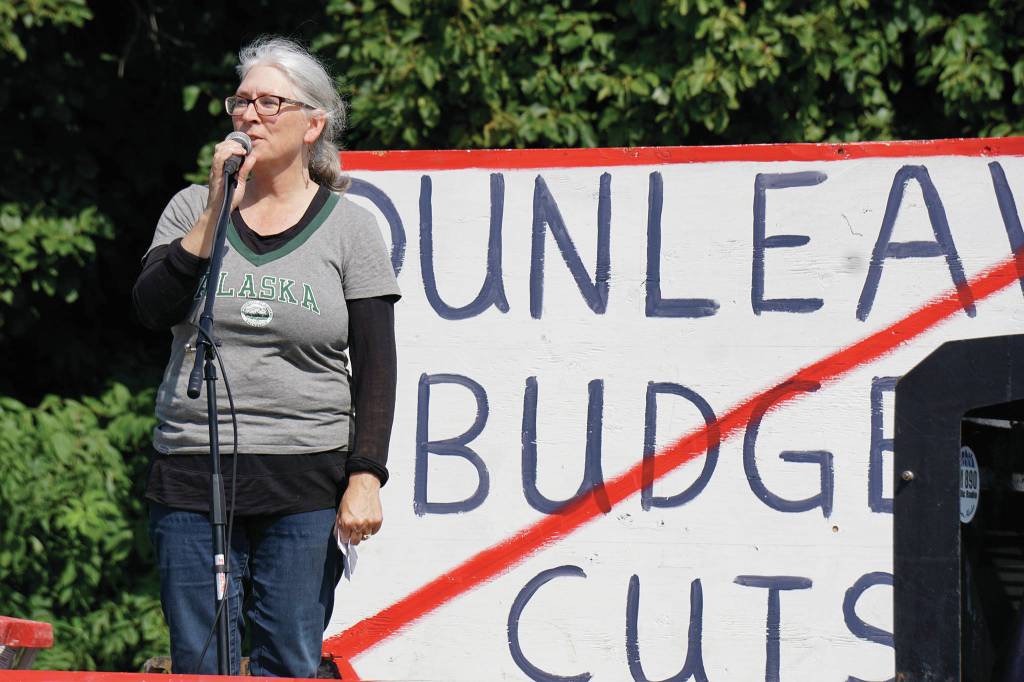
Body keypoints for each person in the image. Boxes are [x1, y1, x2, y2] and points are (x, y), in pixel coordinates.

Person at [132, 36, 399, 677]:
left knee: (288, 661)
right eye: (241, 101)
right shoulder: (188, 209)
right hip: (193, 476)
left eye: (269, 102)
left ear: (313, 124)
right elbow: (151, 307)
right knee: (202, 664)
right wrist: (214, 206)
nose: (249, 115)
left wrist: (366, 474)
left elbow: (377, 368)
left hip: (303, 484)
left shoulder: (351, 226)